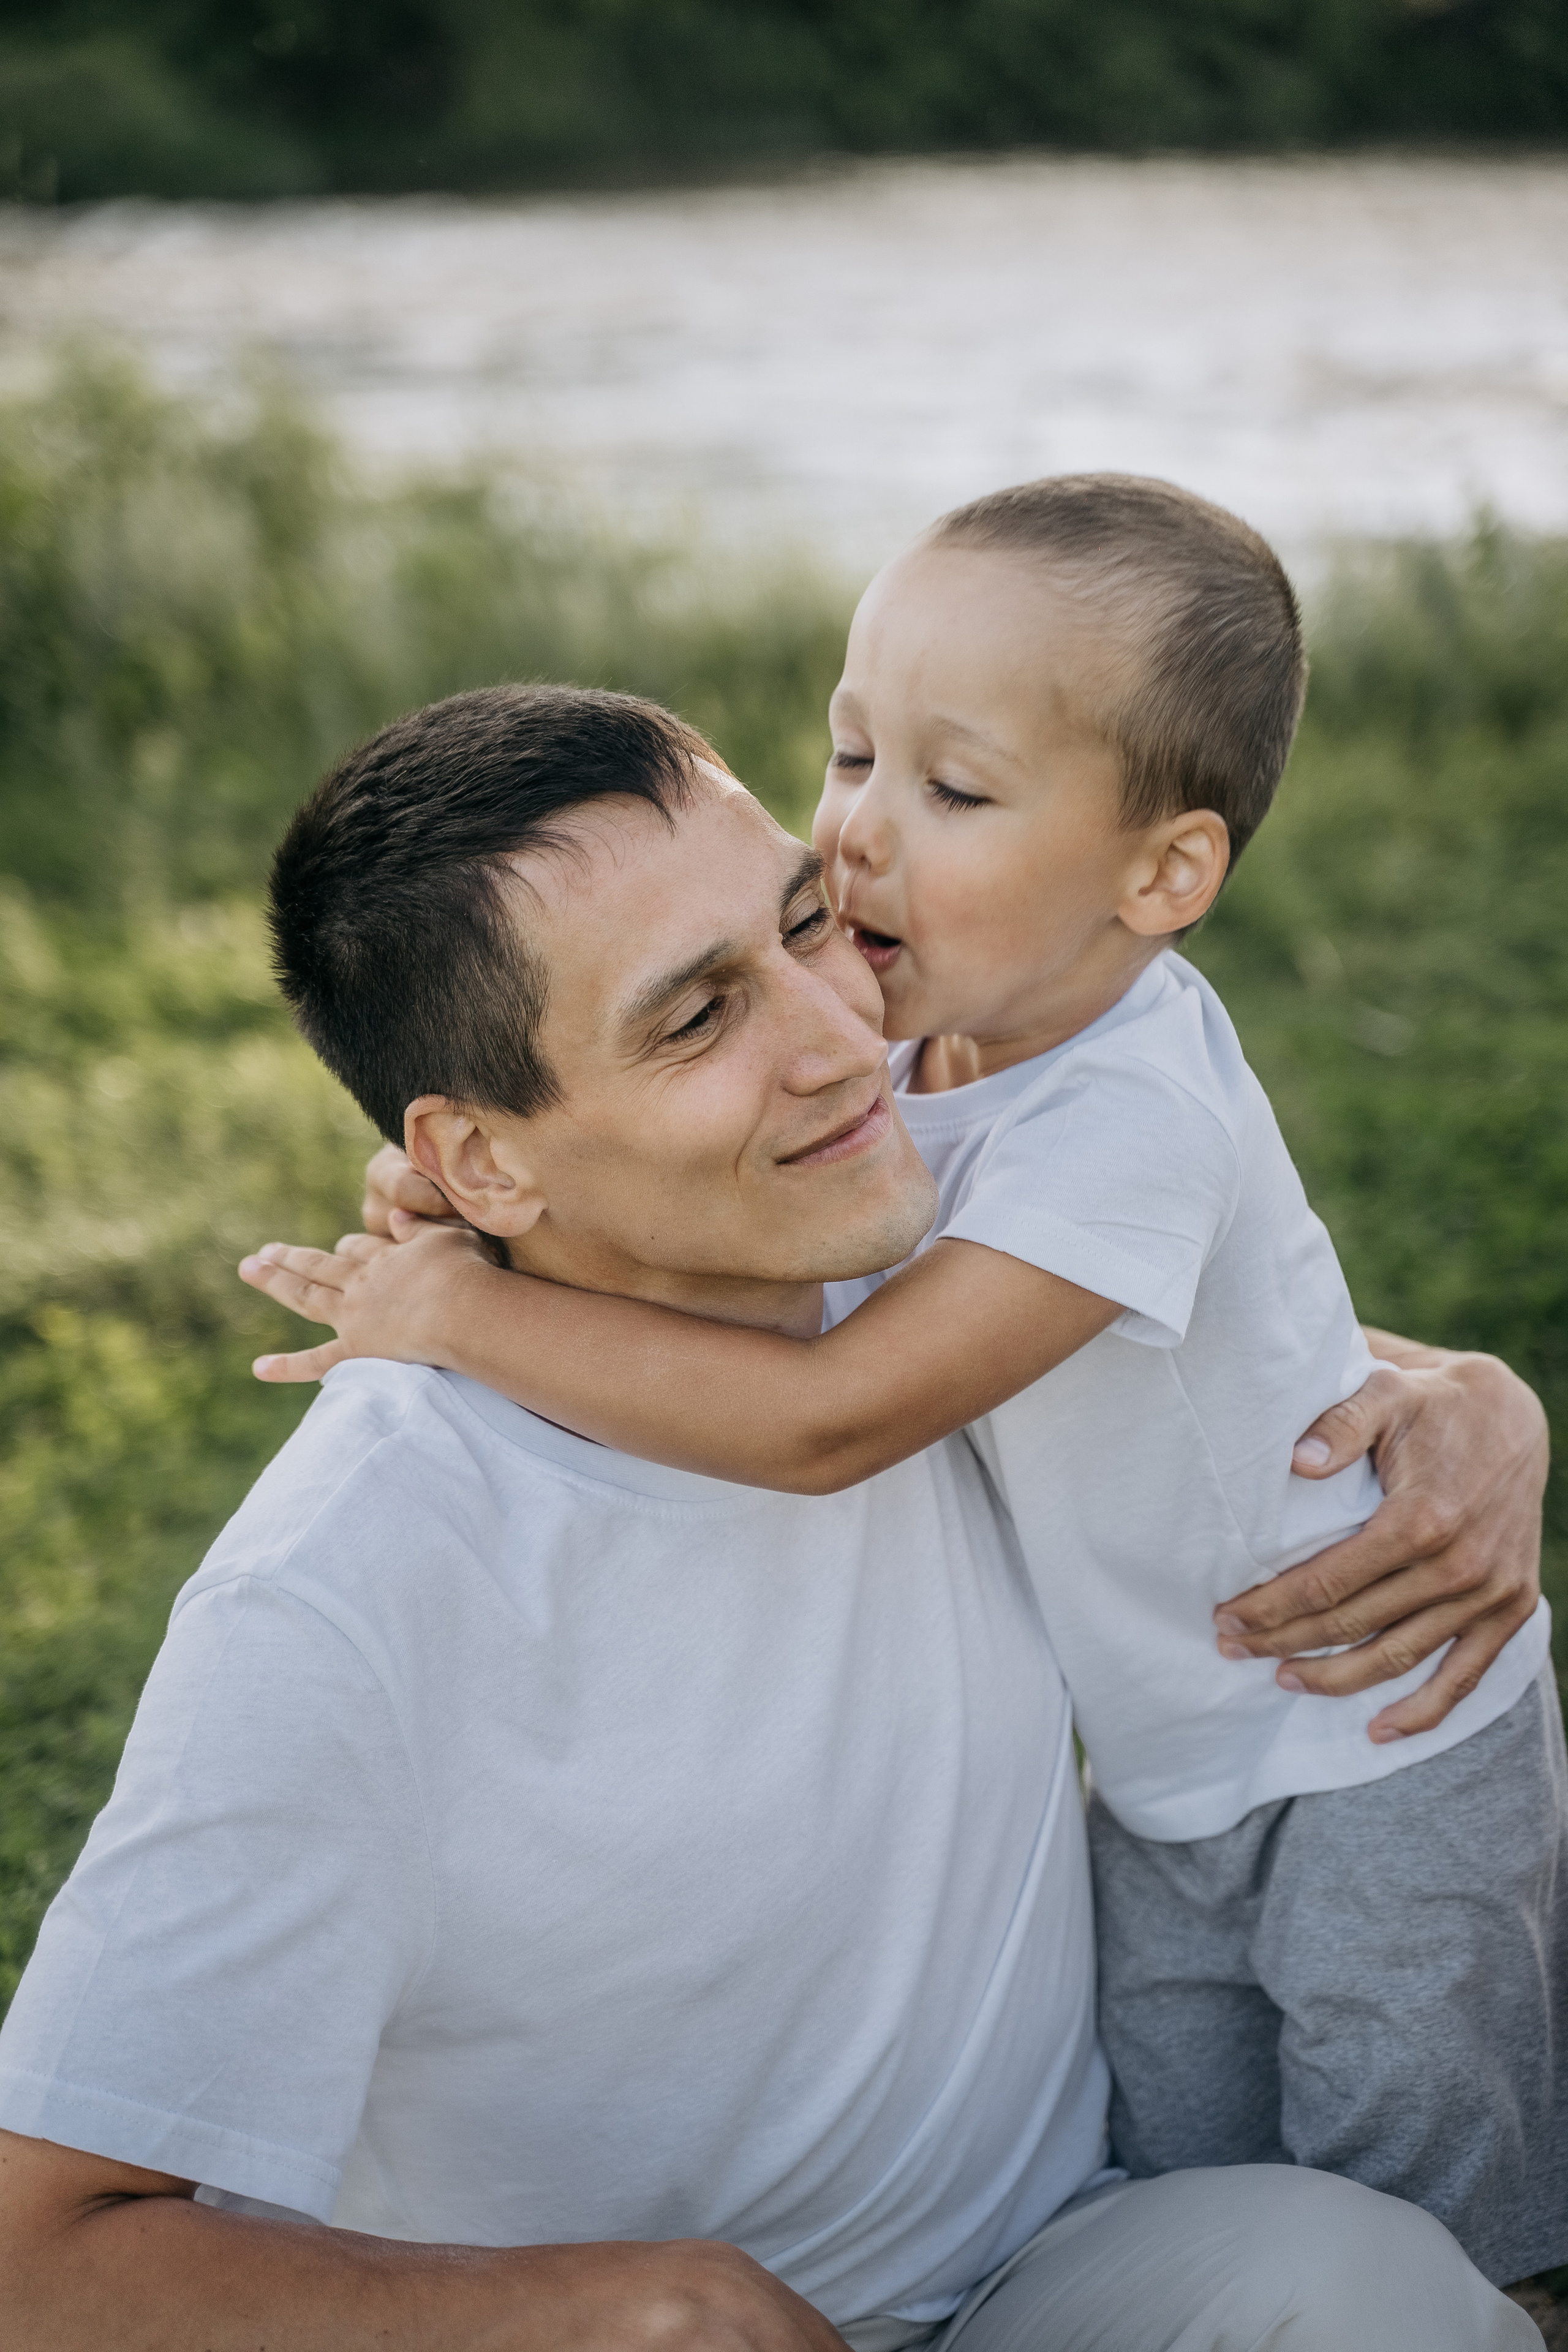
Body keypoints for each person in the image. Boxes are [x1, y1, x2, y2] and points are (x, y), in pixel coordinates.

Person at [0, 686, 1543, 2350]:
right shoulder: (342, 1596)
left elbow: (1205, 1345)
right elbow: (47, 2254)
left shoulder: (900, 1264)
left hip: (1054, 2267)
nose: (832, 1039)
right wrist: (629, 2307)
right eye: (695, 1021)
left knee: (1370, 2292)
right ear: (484, 1168)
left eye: (811, 923)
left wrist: (1473, 1399)